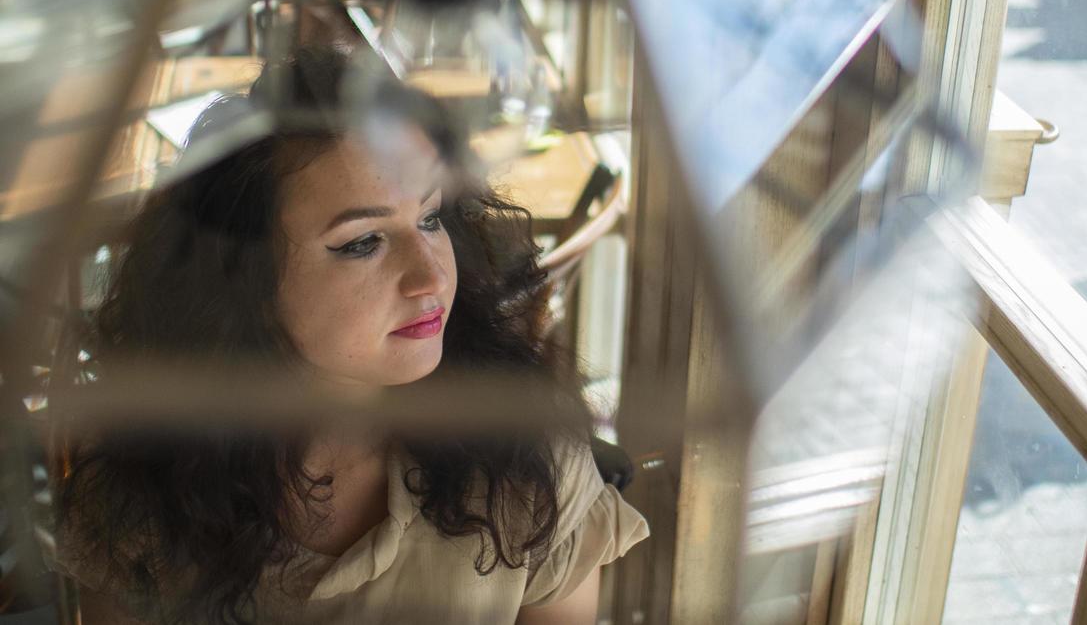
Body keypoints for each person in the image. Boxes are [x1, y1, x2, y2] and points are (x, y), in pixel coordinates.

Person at [53, 45, 648, 623]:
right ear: (246, 285)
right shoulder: (145, 494)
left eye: (430, 218)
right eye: (362, 242)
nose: (431, 277)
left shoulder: (523, 450)